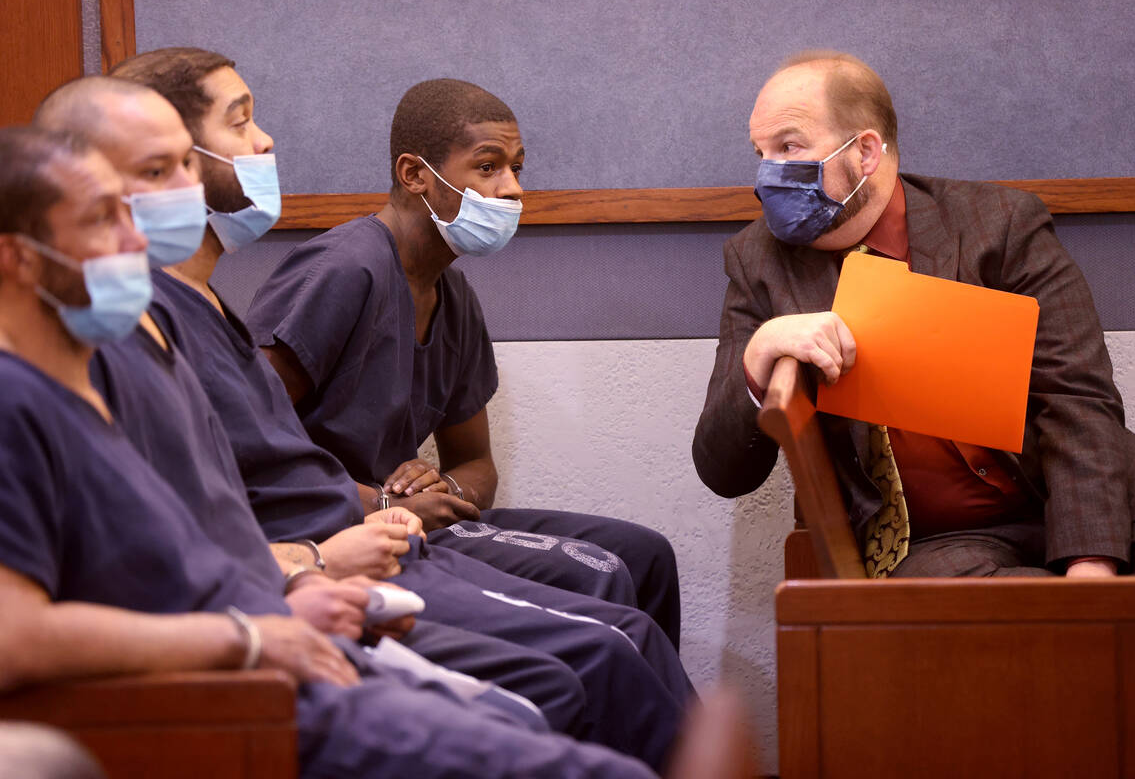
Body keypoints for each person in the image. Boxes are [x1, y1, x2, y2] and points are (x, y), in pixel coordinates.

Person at [0, 125, 656, 779]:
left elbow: (186, 554)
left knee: (547, 691)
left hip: (291, 611)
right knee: (580, 714)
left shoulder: (77, 391)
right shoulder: (17, 401)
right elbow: (17, 637)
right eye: (101, 220)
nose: (135, 241)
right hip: (236, 688)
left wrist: (294, 581)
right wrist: (257, 626)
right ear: (18, 258)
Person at [692, 50, 1135, 637]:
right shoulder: (758, 263)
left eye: (790, 147)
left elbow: (1077, 397)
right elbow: (722, 470)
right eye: (760, 154)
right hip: (940, 541)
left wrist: (1092, 571)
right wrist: (759, 354)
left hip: (1077, 492)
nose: (769, 174)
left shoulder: (999, 224)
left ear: (865, 151)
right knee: (979, 617)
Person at [243, 77, 682, 647]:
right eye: (488, 167)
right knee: (597, 572)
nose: (513, 189)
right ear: (414, 174)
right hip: (332, 530)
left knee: (646, 556)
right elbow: (243, 443)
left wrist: (445, 485)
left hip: (413, 519)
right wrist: (381, 500)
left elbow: (476, 464)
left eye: (517, 169)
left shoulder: (455, 298)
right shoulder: (344, 270)